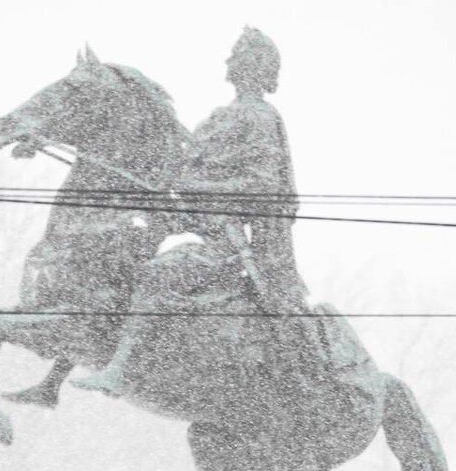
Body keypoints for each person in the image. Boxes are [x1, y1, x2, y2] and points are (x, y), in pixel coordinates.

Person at [73, 26, 322, 395]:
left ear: (253, 66)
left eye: (236, 56)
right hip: (193, 225)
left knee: (156, 275)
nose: (228, 61)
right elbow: (183, 167)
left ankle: (120, 371)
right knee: (111, 258)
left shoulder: (261, 118)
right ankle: (59, 373)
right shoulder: (221, 115)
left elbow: (261, 185)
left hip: (232, 245)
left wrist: (199, 190)